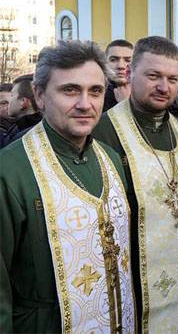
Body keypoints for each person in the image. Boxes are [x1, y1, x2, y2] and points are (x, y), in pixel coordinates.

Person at [0, 40, 136, 332]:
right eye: (70, 90)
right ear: (39, 95)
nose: (85, 104)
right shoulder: (9, 171)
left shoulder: (111, 158)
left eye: (95, 91)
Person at [93, 36, 178, 333]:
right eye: (153, 76)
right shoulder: (103, 132)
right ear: (131, 74)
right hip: (134, 288)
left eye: (173, 78)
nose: (164, 87)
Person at [0, 74, 42, 148]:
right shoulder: (18, 127)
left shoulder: (28, 137)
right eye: (3, 103)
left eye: (12, 95)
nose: (10, 102)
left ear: (23, 102)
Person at [103, 39, 134, 112]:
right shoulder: (95, 93)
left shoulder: (145, 93)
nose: (121, 66)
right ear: (105, 63)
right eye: (113, 60)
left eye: (128, 60)